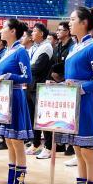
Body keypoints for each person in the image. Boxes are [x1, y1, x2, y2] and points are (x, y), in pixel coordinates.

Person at [58, 7, 93, 184]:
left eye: (72, 19)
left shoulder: (91, 47)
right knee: (78, 151)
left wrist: (80, 87)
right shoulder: (74, 47)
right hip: (72, 102)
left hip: (85, 103)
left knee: (88, 152)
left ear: (84, 23)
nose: (69, 22)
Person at [0, 19, 34, 184]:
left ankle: (19, 183)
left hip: (15, 97)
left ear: (13, 31)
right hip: (5, 99)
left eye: (4, 27)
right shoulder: (6, 51)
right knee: (9, 141)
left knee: (17, 142)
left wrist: (7, 75)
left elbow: (27, 77)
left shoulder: (20, 51)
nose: (1, 30)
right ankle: (11, 182)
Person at [37, 21, 74, 160]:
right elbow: (53, 65)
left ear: (67, 32)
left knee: (68, 118)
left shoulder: (72, 47)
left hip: (67, 86)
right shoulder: (57, 46)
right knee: (50, 117)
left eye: (60, 30)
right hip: (55, 85)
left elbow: (65, 66)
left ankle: (69, 145)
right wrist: (51, 77)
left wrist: (58, 75)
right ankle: (51, 146)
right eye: (57, 30)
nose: (57, 32)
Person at [25, 23, 53, 156]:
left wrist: (24, 71)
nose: (32, 33)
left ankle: (48, 147)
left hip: (40, 88)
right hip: (31, 86)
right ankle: (35, 143)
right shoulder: (34, 47)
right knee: (33, 117)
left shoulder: (46, 47)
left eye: (35, 31)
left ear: (42, 33)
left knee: (43, 118)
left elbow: (37, 67)